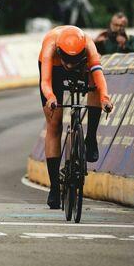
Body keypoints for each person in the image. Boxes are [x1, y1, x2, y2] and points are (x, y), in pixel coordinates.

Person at [39, 25, 113, 209]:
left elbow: (99, 77)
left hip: (84, 65)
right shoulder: (50, 47)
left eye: (75, 60)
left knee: (93, 85)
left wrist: (105, 99)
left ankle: (91, 137)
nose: (70, 65)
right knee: (54, 123)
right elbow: (45, 82)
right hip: (55, 69)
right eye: (68, 60)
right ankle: (55, 188)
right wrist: (51, 98)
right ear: (59, 51)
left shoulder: (89, 46)